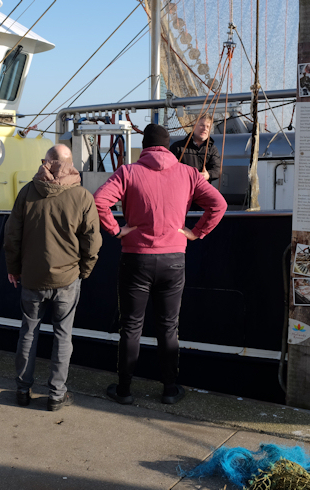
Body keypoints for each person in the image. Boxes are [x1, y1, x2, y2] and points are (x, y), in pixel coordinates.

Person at [93, 124, 227, 406]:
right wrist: (196, 232)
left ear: (144, 145)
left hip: (136, 258)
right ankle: (169, 389)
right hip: (174, 260)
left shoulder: (128, 172)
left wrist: (116, 230)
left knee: (131, 326)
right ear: (168, 147)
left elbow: (99, 201)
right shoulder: (188, 173)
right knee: (168, 327)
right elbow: (218, 204)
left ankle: (124, 390)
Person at [4, 144, 102, 412]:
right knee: (63, 335)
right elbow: (92, 241)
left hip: (32, 277)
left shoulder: (27, 192)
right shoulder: (82, 196)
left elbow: (12, 235)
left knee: (28, 333)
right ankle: (57, 395)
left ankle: (22, 390)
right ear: (71, 164)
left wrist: (13, 267)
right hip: (68, 278)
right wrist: (84, 270)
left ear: (46, 162)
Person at [169, 114, 222, 183]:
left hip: (202, 186)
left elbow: (217, 170)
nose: (205, 129)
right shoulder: (178, 147)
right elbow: (169, 168)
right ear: (194, 127)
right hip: (184, 186)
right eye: (202, 125)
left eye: (208, 126)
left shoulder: (212, 149)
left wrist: (208, 175)